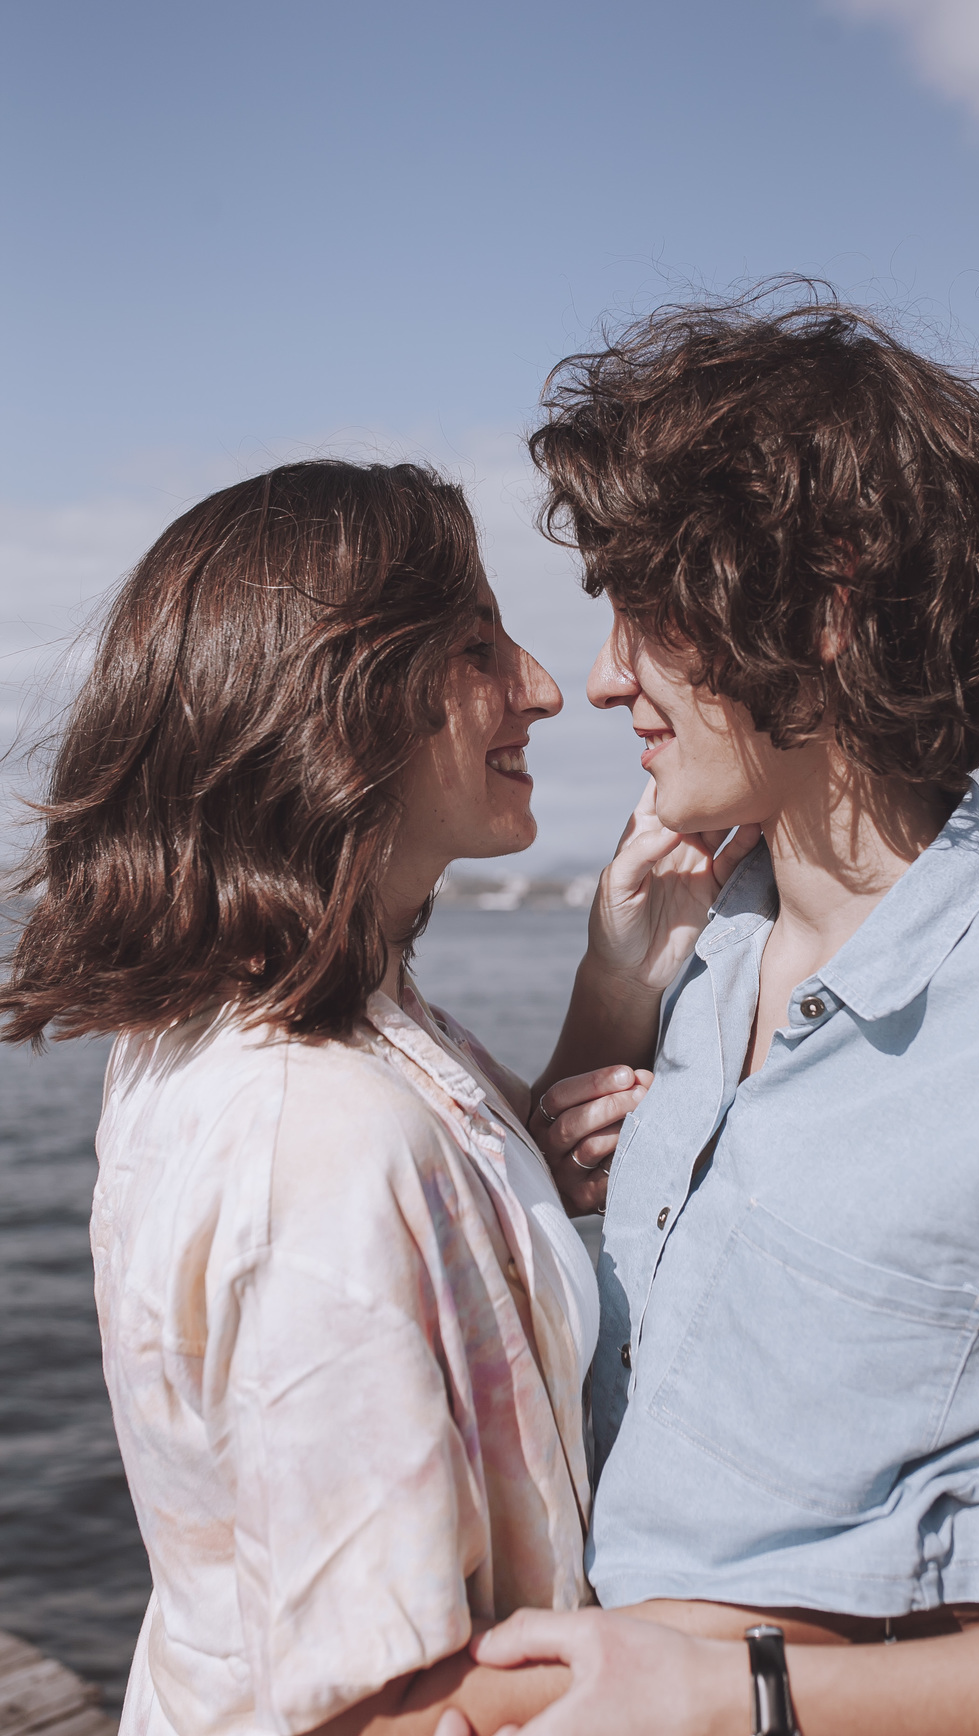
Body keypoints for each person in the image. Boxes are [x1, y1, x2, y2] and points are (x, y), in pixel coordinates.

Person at [511, 290, 979, 1733]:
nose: (604, 679)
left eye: (645, 612)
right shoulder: (697, 959)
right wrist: (609, 996)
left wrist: (740, 1695)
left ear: (825, 606)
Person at [0, 459, 679, 1736]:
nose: (542, 687)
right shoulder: (317, 1139)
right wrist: (764, 1665)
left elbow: (457, 1209)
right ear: (343, 703)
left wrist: (616, 976)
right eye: (478, 645)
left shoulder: (301, 1020)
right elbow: (374, 1709)